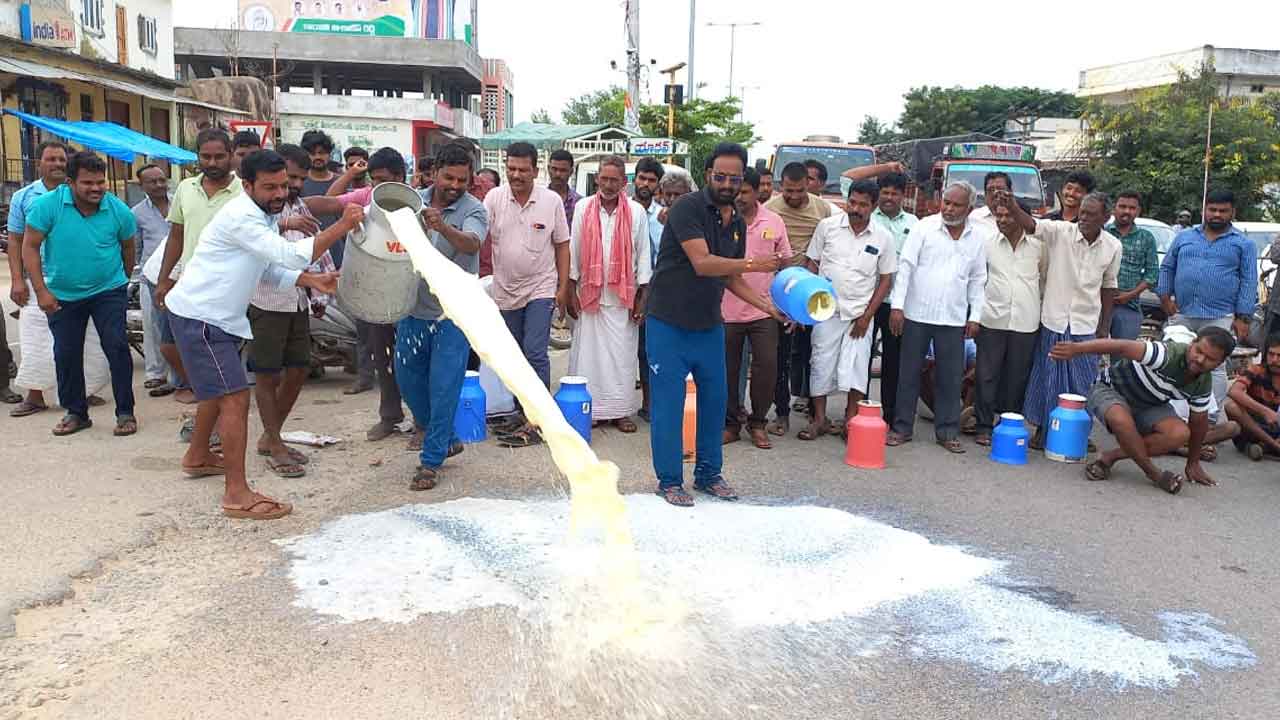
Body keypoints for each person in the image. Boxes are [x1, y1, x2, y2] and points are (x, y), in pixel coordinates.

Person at [165, 149, 357, 520]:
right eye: (270, 187)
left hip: (209, 317)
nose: (280, 194)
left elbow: (266, 267)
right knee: (234, 398)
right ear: (247, 185)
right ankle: (237, 494)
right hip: (201, 318)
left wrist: (309, 279)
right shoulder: (242, 216)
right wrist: (342, 226)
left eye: (283, 186)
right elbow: (288, 255)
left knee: (215, 394)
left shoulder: (260, 214)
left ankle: (198, 455)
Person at [645, 142, 787, 506]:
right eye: (720, 176)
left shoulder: (736, 221)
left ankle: (709, 474)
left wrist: (767, 306)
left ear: (742, 180)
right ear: (708, 175)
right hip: (668, 323)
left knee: (715, 401)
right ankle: (670, 481)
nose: (726, 184)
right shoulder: (687, 209)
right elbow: (704, 263)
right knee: (669, 405)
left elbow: (728, 277)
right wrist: (758, 265)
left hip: (709, 324)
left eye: (734, 178)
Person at [22, 148, 138, 437]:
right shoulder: (47, 206)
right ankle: (76, 413)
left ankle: (125, 412)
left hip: (108, 290)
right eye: (88, 183)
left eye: (100, 182)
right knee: (66, 353)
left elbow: (128, 246)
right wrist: (41, 291)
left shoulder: (117, 209)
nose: (96, 188)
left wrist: (121, 280)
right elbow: (30, 246)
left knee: (116, 346)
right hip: (62, 293)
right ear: (70, 183)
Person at [395, 142, 488, 491]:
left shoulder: (474, 209)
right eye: (448, 177)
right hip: (412, 308)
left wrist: (443, 228)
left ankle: (430, 461)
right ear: (435, 173)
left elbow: (472, 244)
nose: (454, 185)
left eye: (462, 180)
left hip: (455, 313)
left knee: (445, 387)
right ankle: (446, 435)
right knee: (407, 380)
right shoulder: (410, 200)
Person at [308, 148, 413, 440]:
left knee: (414, 361)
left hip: (410, 295)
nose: (379, 186)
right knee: (382, 356)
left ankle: (422, 422)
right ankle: (390, 417)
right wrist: (289, 202)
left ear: (400, 177)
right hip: (375, 293)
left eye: (385, 180)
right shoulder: (365, 198)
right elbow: (329, 203)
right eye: (375, 179)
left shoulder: (417, 203)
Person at [1004, 191, 1122, 449]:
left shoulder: (1113, 246)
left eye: (1091, 214)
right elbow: (1032, 225)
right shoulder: (1061, 232)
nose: (1084, 218)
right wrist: (1013, 206)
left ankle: (1078, 431)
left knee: (1083, 381)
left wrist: (1104, 326)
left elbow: (1109, 286)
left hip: (1085, 324)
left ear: (1106, 217)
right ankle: (1044, 431)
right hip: (1054, 319)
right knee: (1048, 379)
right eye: (1083, 212)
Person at [1055, 327, 1235, 494]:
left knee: (1179, 434)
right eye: (1199, 351)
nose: (1200, 360)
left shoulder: (1203, 383)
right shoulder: (1166, 353)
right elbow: (1121, 346)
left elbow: (1198, 424)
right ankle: (1154, 474)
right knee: (1121, 420)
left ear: (1220, 363)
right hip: (1111, 389)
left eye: (1210, 359)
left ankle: (1111, 456)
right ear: (1192, 344)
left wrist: (1193, 463)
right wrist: (1076, 349)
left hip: (1150, 404)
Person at [244, 144, 333, 477]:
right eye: (284, 180)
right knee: (267, 373)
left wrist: (319, 287)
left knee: (298, 368)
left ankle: (271, 436)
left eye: (296, 179)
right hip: (266, 300)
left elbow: (314, 248)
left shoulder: (298, 206)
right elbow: (268, 257)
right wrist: (283, 225)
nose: (290, 186)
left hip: (296, 299)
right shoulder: (257, 211)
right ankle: (275, 442)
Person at [886, 182, 989, 453]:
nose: (949, 209)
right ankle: (901, 428)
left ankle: (947, 432)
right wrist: (897, 307)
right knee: (908, 374)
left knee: (950, 378)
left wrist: (975, 316)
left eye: (956, 205)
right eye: (946, 202)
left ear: (970, 209)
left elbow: (978, 280)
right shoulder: (925, 227)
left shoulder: (977, 238)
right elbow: (905, 267)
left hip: (953, 318)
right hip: (916, 314)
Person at [484, 142, 571, 447]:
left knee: (535, 352)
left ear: (536, 170)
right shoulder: (493, 198)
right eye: (511, 169)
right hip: (505, 290)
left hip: (541, 287)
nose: (516, 175)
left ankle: (538, 420)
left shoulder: (551, 202)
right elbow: (477, 237)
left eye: (523, 169)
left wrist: (561, 288)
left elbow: (562, 244)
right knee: (513, 355)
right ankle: (521, 411)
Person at [155, 128, 242, 408]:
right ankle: (204, 394)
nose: (213, 163)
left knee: (220, 355)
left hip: (229, 288)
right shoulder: (185, 188)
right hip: (190, 284)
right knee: (170, 345)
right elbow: (177, 236)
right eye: (206, 156)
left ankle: (217, 416)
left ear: (230, 156)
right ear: (197, 158)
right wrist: (164, 280)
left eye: (219, 156)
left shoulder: (244, 191)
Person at [564, 155, 651, 434]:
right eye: (605, 179)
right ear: (597, 179)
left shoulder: (636, 212)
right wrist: (570, 288)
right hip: (589, 293)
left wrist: (642, 294)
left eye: (615, 180)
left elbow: (643, 254)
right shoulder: (583, 208)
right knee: (588, 356)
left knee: (622, 357)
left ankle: (621, 412)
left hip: (622, 297)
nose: (609, 185)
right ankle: (591, 410)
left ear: (624, 182)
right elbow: (573, 249)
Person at [803, 179, 895, 442]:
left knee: (856, 368)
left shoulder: (883, 237)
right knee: (820, 363)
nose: (856, 208)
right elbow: (813, 263)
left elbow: (886, 279)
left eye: (863, 205)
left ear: (873, 206)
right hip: (825, 309)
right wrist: (805, 304)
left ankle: (850, 420)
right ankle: (819, 419)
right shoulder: (828, 227)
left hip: (859, 314)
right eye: (852, 202)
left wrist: (867, 317)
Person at [1157, 188, 1255, 411]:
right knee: (1175, 361)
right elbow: (1167, 267)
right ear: (1204, 210)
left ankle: (1209, 420)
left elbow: (1249, 280)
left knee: (1215, 367)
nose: (1217, 215)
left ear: (1233, 212)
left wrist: (1243, 317)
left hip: (1220, 315)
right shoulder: (1184, 236)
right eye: (1212, 210)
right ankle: (1172, 416)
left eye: (1223, 211)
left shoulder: (1243, 243)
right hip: (1182, 312)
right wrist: (1164, 297)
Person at [765, 162, 838, 434]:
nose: (793, 196)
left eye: (798, 190)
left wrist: (806, 293)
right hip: (779, 290)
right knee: (781, 355)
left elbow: (823, 250)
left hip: (811, 288)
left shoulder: (823, 209)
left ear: (808, 184)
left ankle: (812, 407)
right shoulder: (771, 209)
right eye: (788, 191)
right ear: (780, 186)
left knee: (812, 353)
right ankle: (781, 413)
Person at [722, 167, 790, 448]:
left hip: (765, 311)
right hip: (725, 310)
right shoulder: (721, 221)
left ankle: (758, 422)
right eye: (736, 192)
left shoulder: (773, 221)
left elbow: (786, 265)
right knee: (727, 370)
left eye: (745, 192)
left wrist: (788, 307)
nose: (739, 197)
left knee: (767, 367)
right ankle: (730, 424)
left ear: (755, 191)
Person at [973, 195, 1045, 446]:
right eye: (998, 216)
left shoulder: (1039, 246)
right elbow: (978, 280)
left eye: (1008, 215)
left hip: (1026, 321)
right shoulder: (987, 244)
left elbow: (1044, 280)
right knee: (986, 375)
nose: (1002, 220)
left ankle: (1009, 423)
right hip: (992, 318)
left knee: (1017, 377)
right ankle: (983, 426)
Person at [7, 140, 70, 415]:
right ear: (38, 163)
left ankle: (79, 391)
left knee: (77, 337)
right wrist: (17, 280)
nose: (57, 164)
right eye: (51, 159)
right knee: (35, 337)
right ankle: (35, 396)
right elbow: (14, 240)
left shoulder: (77, 192)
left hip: (73, 278)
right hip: (36, 278)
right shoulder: (24, 197)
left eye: (61, 160)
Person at [640, 169, 695, 421]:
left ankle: (687, 407)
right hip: (658, 292)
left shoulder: (697, 219)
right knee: (654, 353)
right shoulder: (649, 220)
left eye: (679, 195)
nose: (673, 200)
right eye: (669, 194)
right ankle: (652, 405)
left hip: (688, 294)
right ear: (661, 195)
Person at [868, 171, 919, 426]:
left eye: (894, 193)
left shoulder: (914, 223)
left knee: (893, 361)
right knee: (861, 358)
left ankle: (888, 416)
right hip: (867, 301)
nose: (889, 197)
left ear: (903, 195)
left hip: (897, 305)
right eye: (885, 192)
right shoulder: (867, 219)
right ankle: (857, 414)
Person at [131, 163, 176, 397]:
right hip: (150, 276)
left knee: (176, 326)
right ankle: (155, 374)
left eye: (161, 180)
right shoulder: (136, 213)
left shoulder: (180, 202)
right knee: (152, 325)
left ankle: (177, 374)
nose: (159, 185)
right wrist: (138, 279)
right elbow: (136, 249)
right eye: (152, 181)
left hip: (180, 274)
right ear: (142, 186)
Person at [630, 158, 665, 421]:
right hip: (620, 289)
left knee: (647, 349)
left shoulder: (662, 217)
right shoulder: (623, 210)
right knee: (618, 347)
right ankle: (614, 405)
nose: (645, 184)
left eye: (651, 180)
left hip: (653, 292)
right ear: (634, 178)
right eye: (642, 178)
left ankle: (649, 405)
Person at [1106, 191, 1159, 349]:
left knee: (1123, 356)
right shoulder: (1102, 232)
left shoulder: (1146, 238)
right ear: (1114, 208)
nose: (1126, 211)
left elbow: (1152, 274)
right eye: (1122, 206)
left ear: (1138, 211)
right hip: (1097, 304)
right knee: (1088, 352)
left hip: (1128, 306)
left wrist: (1129, 295)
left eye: (1131, 208)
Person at [1225, 333, 1280, 459]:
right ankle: (1273, 446)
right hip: (1254, 427)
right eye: (1271, 354)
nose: (1274, 360)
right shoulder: (1256, 370)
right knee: (1231, 407)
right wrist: (1264, 411)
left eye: (1279, 356)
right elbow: (1234, 391)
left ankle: (1263, 447)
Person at [299, 130, 343, 264]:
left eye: (322, 152)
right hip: (307, 252)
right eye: (312, 153)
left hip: (338, 252)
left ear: (329, 154)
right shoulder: (299, 183)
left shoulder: (342, 182)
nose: (317, 157)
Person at [547, 149, 581, 225]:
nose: (558, 174)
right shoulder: (539, 199)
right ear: (548, 169)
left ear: (571, 172)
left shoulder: (579, 203)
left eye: (563, 170)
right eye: (554, 169)